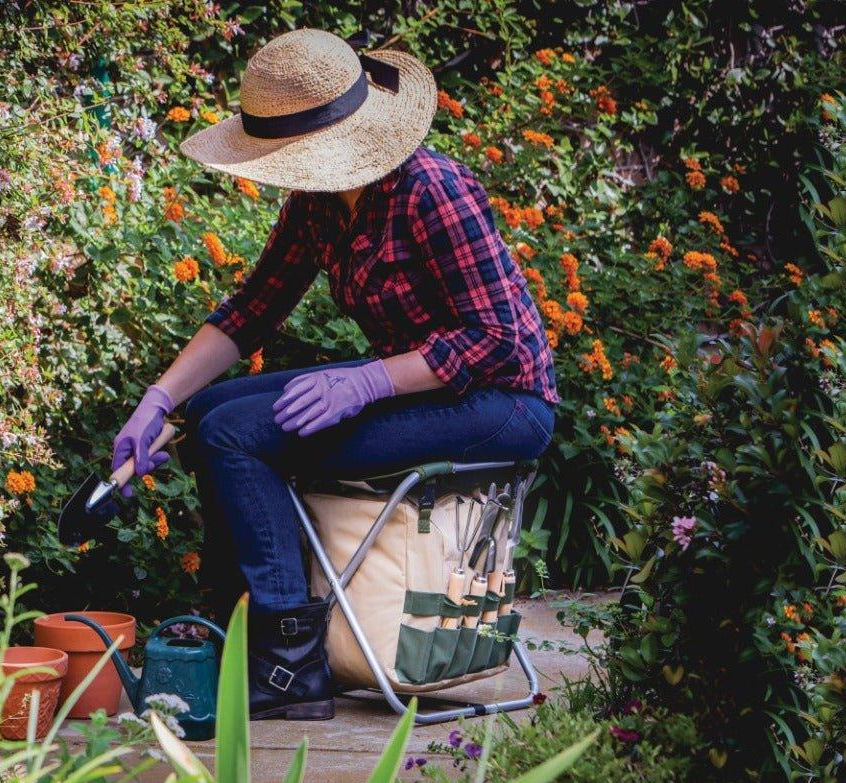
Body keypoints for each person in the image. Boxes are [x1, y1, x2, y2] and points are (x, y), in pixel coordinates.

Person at [109, 29, 558, 720]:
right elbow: (254, 308)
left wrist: (367, 383)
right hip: (420, 381)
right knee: (206, 414)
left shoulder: (431, 191)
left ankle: (288, 662)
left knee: (236, 436)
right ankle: (237, 630)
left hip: (503, 402)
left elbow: (498, 340)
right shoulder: (319, 203)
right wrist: (158, 398)